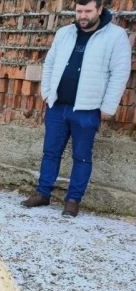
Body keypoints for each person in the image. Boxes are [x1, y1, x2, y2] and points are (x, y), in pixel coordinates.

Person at [21, 0, 131, 217]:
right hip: (58, 105)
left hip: (88, 109)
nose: (82, 15)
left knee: (81, 156)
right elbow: (50, 63)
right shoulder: (65, 33)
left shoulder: (115, 36)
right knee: (50, 152)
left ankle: (73, 200)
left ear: (99, 10)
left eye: (88, 11)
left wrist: (108, 106)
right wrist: (47, 92)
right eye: (79, 11)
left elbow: (119, 73)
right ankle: (43, 193)